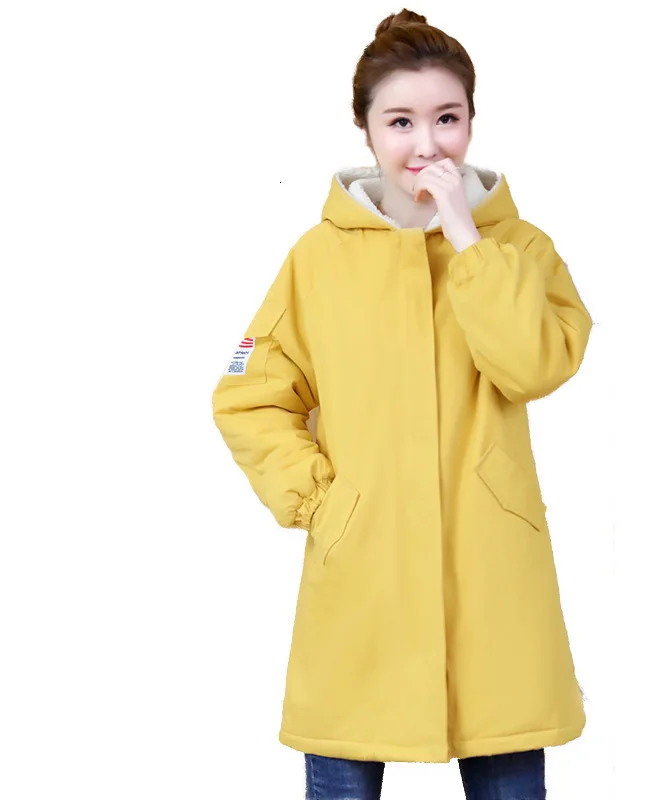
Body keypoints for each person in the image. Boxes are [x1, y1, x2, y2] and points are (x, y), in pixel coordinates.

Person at [211, 8, 592, 799]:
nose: (428, 144)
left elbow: (532, 366)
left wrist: (467, 238)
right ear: (365, 128)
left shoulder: (521, 250)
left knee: (508, 766)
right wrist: (324, 502)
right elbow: (249, 393)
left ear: (472, 121)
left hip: (493, 581)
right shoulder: (317, 259)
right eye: (401, 121)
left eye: (447, 118)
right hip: (363, 577)